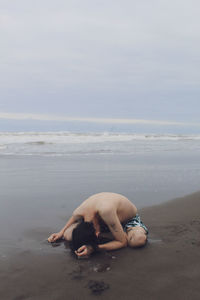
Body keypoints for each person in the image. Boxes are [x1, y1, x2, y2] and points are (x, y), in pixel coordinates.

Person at [48, 192, 148, 257]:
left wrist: (94, 248)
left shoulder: (106, 210)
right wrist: (60, 233)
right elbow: (74, 217)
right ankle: (114, 234)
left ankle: (120, 233)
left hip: (127, 220)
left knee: (138, 240)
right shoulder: (80, 211)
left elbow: (122, 243)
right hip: (105, 223)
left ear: (96, 233)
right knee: (67, 235)